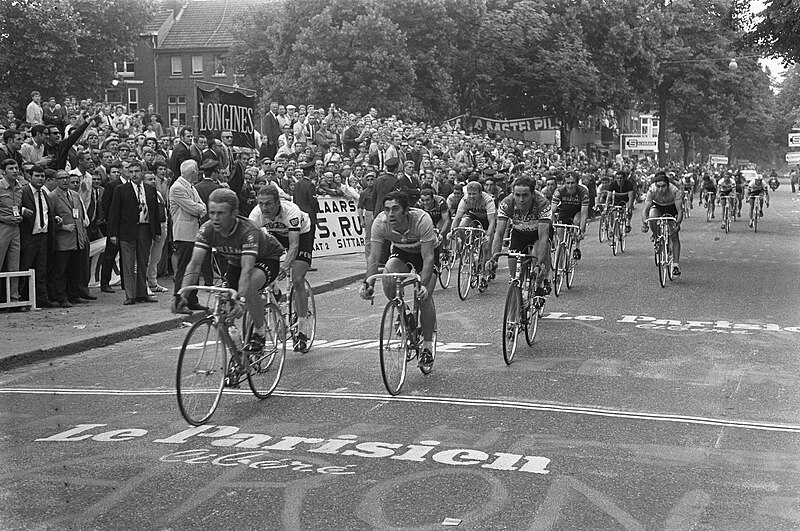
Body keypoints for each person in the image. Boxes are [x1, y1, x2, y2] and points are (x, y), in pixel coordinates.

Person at [179, 188, 284, 355]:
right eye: (212, 212)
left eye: (221, 213)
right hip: (236, 262)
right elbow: (194, 265)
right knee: (224, 304)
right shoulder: (207, 229)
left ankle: (259, 332)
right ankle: (237, 356)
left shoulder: (248, 230)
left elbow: (248, 270)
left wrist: (241, 300)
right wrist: (182, 294)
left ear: (234, 213)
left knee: (247, 288)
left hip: (265, 258)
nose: (215, 218)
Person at [360, 190, 438, 368]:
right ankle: (404, 311)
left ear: (406, 210)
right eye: (387, 209)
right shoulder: (380, 223)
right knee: (388, 277)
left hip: (426, 252)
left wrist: (423, 285)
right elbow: (373, 257)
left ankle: (427, 347)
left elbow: (428, 259)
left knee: (423, 297)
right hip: (402, 250)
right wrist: (368, 283)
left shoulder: (421, 220)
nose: (390, 214)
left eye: (395, 209)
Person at [249, 184, 315, 352]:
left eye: (268, 204)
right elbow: (250, 244)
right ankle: (275, 292)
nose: (264, 208)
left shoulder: (291, 211)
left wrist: (285, 267)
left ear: (278, 203)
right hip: (276, 236)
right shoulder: (256, 214)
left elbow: (294, 246)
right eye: (261, 203)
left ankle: (301, 330)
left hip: (301, 234)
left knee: (297, 279)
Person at [107, 160, 161, 305]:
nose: (134, 174)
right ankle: (130, 295)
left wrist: (156, 231)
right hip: (127, 230)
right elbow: (114, 213)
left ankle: (142, 293)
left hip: (145, 228)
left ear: (142, 172)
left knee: (144, 262)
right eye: (131, 172)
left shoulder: (150, 189)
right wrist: (113, 233)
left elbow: (154, 211)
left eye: (137, 171)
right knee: (128, 263)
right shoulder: (121, 189)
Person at [488, 175, 552, 295]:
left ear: (533, 194)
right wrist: (494, 258)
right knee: (514, 271)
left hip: (538, 234)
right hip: (519, 233)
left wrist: (539, 263)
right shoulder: (507, 203)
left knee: (536, 257)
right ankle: (517, 293)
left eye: (525, 195)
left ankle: (539, 285)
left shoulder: (542, 203)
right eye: (517, 195)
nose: (521, 199)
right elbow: (499, 233)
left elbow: (543, 237)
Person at [169, 159, 208, 314]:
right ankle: (179, 301)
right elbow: (194, 208)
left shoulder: (190, 186)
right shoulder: (177, 188)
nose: (198, 173)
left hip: (193, 232)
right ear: (192, 172)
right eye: (197, 170)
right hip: (183, 234)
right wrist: (200, 208)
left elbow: (201, 205)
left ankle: (192, 299)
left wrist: (200, 207)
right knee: (184, 269)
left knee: (194, 268)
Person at [18, 165, 58, 307]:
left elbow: (46, 213)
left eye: (42, 176)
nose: (40, 179)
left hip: (43, 236)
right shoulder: (23, 192)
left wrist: (55, 218)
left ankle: (42, 298)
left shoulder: (44, 194)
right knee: (24, 269)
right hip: (29, 237)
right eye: (37, 176)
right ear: (30, 176)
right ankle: (20, 300)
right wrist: (22, 210)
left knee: (41, 270)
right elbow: (14, 206)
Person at [50, 170, 90, 307]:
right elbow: (51, 219)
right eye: (61, 178)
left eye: (67, 178)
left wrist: (82, 235)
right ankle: (61, 297)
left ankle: (74, 294)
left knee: (75, 269)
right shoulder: (52, 196)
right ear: (56, 180)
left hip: (77, 238)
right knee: (60, 271)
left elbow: (80, 217)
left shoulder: (75, 195)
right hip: (63, 240)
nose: (65, 181)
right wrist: (62, 227)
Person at [452, 180, 497, 291]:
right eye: (469, 193)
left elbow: (492, 222)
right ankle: (469, 248)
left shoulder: (488, 200)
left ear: (480, 193)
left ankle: (484, 277)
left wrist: (488, 236)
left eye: (474, 194)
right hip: (473, 217)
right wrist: (452, 231)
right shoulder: (465, 200)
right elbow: (457, 218)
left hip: (487, 220)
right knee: (462, 224)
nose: (471, 196)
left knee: (486, 247)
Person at [641, 171, 683, 277]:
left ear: (668, 185)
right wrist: (644, 224)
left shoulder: (674, 191)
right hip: (658, 206)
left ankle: (676, 265)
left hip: (671, 207)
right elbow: (645, 211)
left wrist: (677, 223)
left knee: (674, 235)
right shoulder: (652, 191)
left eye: (663, 186)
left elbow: (679, 211)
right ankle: (656, 235)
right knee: (652, 216)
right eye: (658, 186)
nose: (661, 189)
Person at [0, 159, 24, 307]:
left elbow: (19, 206)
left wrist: (20, 215)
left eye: (16, 168)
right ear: (3, 171)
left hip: (16, 228)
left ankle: (13, 299)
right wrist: (4, 218)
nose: (15, 171)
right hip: (2, 227)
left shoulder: (20, 187)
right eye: (11, 168)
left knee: (14, 264)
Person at [550, 172, 589, 261]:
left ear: (577, 183)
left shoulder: (583, 192)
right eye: (567, 183)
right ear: (564, 183)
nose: (570, 186)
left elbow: (584, 214)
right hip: (564, 211)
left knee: (576, 222)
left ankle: (577, 247)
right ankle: (560, 263)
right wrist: (551, 225)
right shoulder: (559, 191)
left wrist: (581, 231)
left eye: (572, 183)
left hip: (578, 211)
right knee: (560, 237)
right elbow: (552, 210)